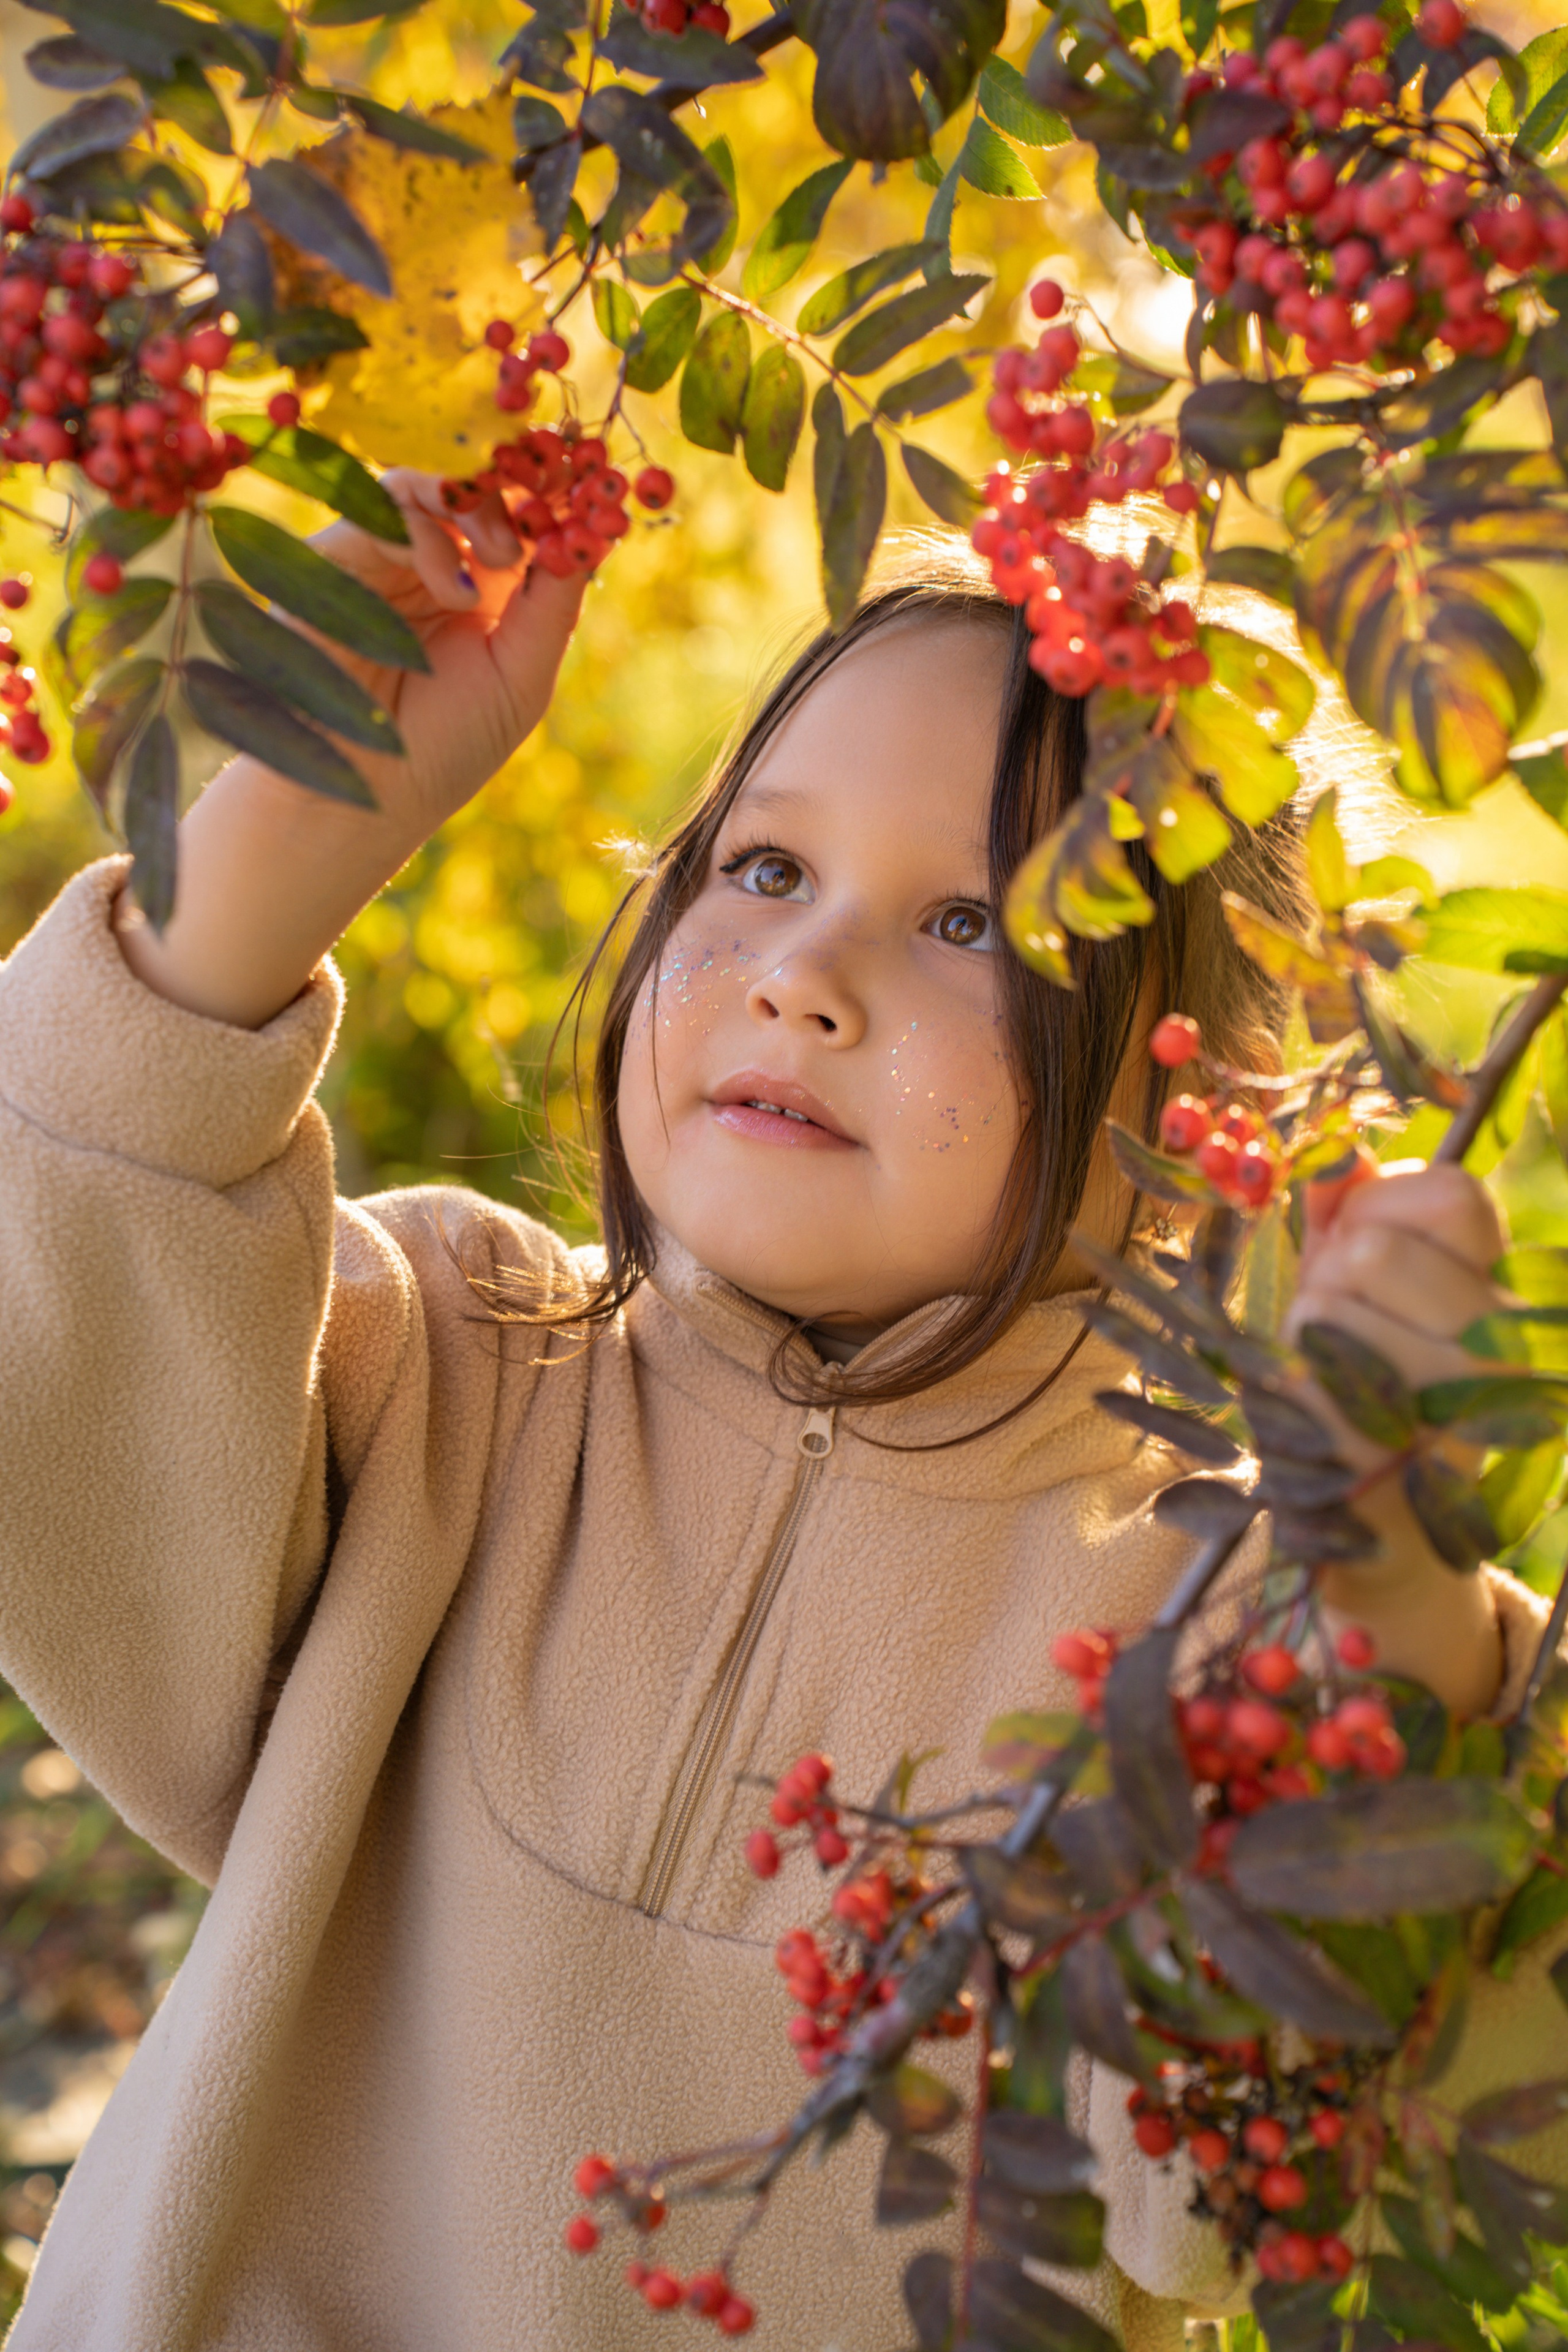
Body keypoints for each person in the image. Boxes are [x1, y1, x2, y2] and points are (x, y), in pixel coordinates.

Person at [0, 474, 1558, 2352]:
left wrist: (1387, 1597)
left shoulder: (1197, 1633)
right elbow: (73, 1436)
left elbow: (1252, 2169)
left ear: (1197, 1108)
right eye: (764, 871)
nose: (806, 977)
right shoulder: (448, 1370)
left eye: (976, 923)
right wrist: (237, 897)